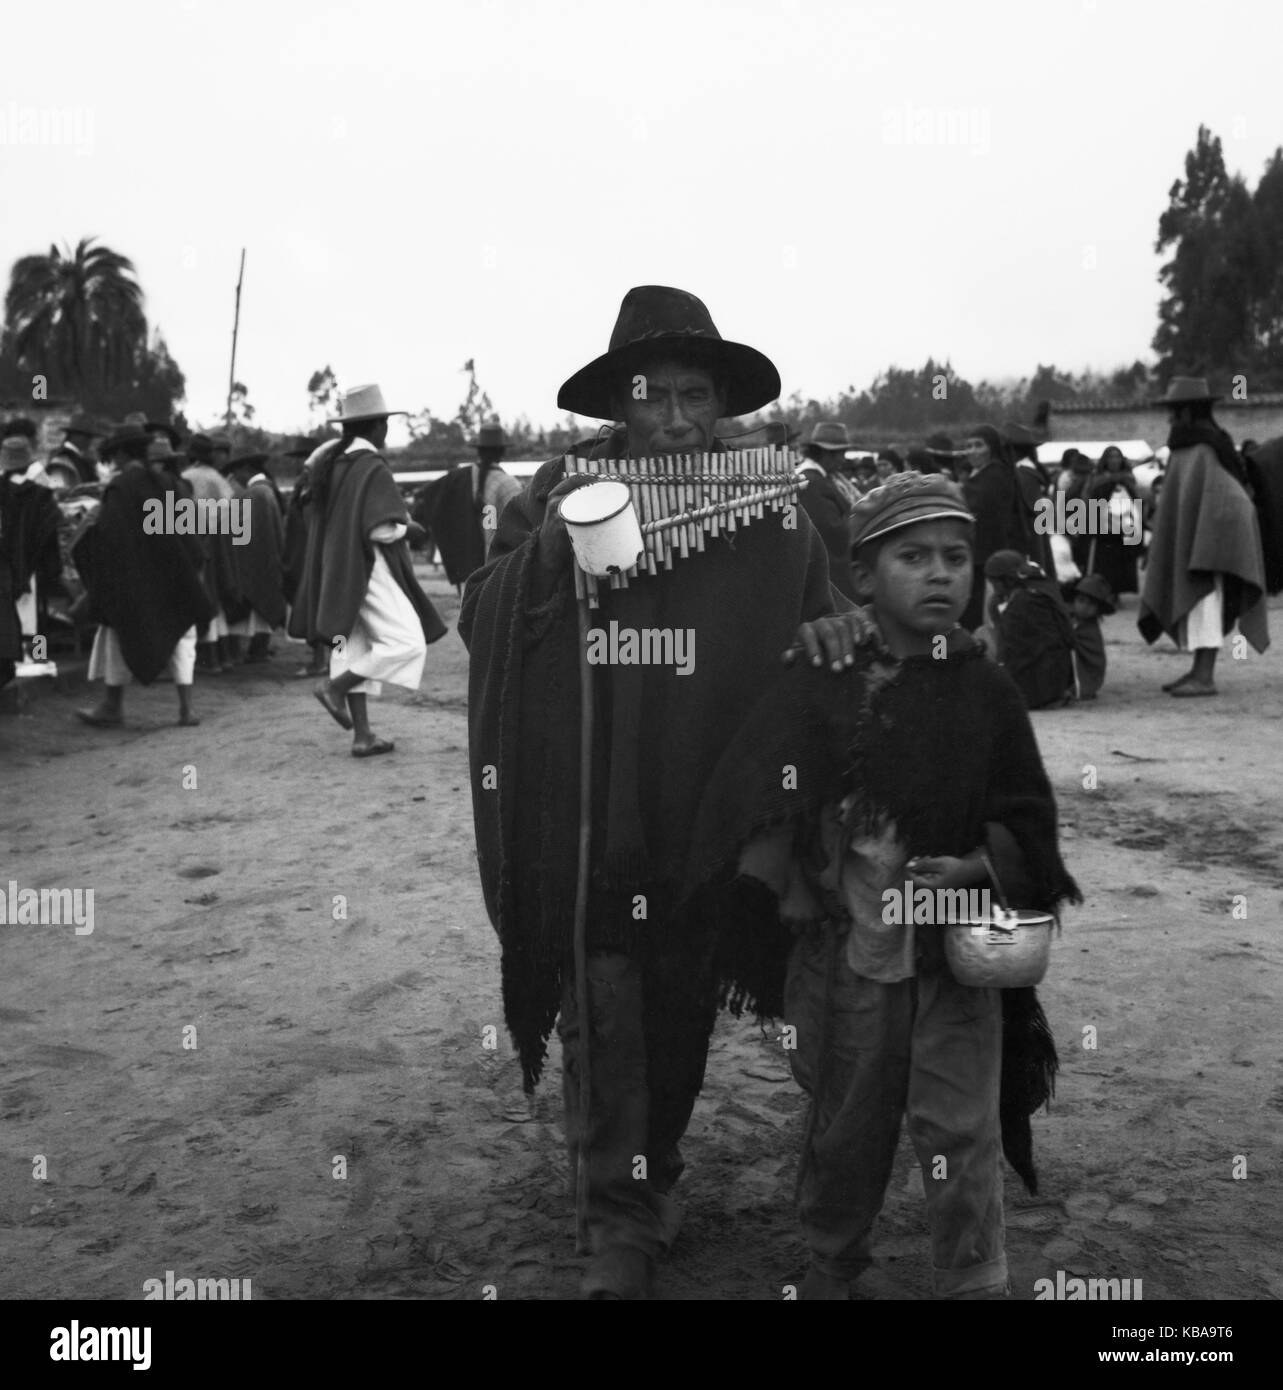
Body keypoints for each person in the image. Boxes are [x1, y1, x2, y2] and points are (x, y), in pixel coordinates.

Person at [458, 284, 874, 1300]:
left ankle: (655, 1162)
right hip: (591, 809)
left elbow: (833, 622)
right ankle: (616, 1215)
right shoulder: (548, 495)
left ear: (722, 402)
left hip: (709, 813)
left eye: (697, 395)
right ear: (619, 407)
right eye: (655, 396)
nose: (680, 419)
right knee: (601, 1000)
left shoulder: (776, 513)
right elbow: (479, 617)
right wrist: (552, 554)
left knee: (680, 1008)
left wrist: (833, 636)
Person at [681, 472, 1079, 1300]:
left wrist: (978, 866)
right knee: (846, 1123)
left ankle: (973, 1276)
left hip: (955, 965)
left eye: (956, 557)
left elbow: (1028, 815)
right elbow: (758, 788)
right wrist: (787, 882)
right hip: (850, 959)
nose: (940, 574)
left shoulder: (984, 686)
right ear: (862, 575)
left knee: (959, 1126)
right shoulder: (822, 675)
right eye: (912, 557)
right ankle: (835, 1264)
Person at [289, 384, 446, 757]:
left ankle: (362, 735)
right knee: (406, 642)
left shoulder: (333, 463)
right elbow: (378, 529)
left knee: (352, 644)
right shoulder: (370, 466)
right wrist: (411, 529)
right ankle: (335, 688)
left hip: (336, 570)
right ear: (378, 426)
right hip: (366, 566)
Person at [72, 426, 211, 727]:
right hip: (173, 574)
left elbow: (111, 537)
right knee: (182, 639)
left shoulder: (121, 487)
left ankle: (112, 706)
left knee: (117, 635)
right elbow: (188, 532)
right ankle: (186, 709)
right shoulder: (168, 483)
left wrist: (98, 581)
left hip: (133, 579)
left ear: (121, 452)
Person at [1139, 377, 1268, 696]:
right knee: (1198, 607)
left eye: (1174, 411)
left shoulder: (1203, 447)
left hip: (1210, 548)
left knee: (1206, 604)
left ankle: (1205, 676)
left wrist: (1213, 534)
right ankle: (1198, 670)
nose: (1169, 418)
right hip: (1201, 542)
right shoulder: (1193, 446)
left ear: (1187, 412)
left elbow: (1234, 496)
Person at [983, 549, 1075, 709]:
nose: (993, 588)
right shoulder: (1041, 586)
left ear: (1007, 580)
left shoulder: (1023, 602)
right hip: (1059, 676)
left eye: (994, 583)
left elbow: (1011, 652)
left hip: (1040, 682)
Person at [182, 434, 244, 674]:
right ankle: (225, 656)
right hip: (221, 544)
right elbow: (237, 518)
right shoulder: (219, 480)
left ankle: (208, 658)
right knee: (218, 597)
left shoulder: (186, 477)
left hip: (195, 543)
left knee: (201, 597)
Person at [226, 452, 287, 663]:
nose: (235, 478)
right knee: (263, 607)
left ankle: (254, 651)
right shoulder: (266, 490)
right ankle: (258, 650)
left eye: (236, 473)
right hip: (268, 556)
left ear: (246, 469)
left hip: (257, 558)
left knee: (256, 602)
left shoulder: (255, 493)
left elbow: (240, 531)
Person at [960, 425, 1019, 630]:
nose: (972, 451)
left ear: (991, 448)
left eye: (979, 445)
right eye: (968, 446)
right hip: (981, 551)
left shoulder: (994, 475)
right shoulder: (980, 475)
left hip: (989, 553)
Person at [795, 421, 857, 600]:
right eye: (841, 454)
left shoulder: (822, 478)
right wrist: (861, 515)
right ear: (826, 454)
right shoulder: (813, 483)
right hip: (832, 580)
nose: (843, 460)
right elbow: (832, 533)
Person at [1083, 445, 1140, 597]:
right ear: (1105, 460)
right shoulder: (1096, 478)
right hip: (1104, 525)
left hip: (1125, 524)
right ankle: (1104, 590)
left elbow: (1137, 497)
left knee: (1122, 558)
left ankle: (1118, 591)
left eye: (1117, 457)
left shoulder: (1128, 477)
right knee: (1105, 559)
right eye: (1111, 457)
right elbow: (1088, 498)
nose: (1114, 460)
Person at [1070, 573, 1113, 700]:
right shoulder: (1067, 619)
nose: (1084, 607)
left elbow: (1095, 658)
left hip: (1086, 673)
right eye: (1081, 601)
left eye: (1091, 604)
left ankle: (1082, 687)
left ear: (1098, 609)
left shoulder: (1091, 631)